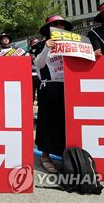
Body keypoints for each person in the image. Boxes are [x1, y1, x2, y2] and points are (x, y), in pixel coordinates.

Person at [34, 15, 73, 173]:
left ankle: (67, 154)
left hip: (69, 87)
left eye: (61, 24)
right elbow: (39, 64)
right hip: (49, 87)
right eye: (55, 24)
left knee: (66, 122)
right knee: (47, 122)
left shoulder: (72, 44)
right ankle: (45, 155)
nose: (58, 26)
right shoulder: (42, 44)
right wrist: (46, 48)